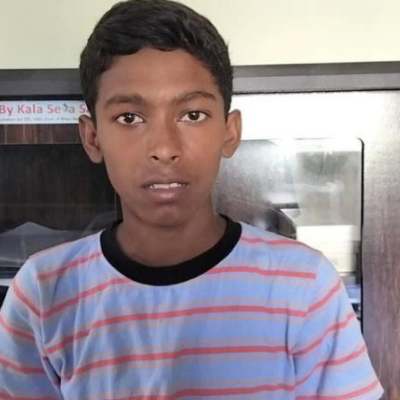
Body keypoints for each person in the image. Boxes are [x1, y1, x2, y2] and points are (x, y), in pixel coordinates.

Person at [0, 1, 383, 399]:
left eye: (193, 115)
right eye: (130, 118)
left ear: (230, 132)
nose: (164, 148)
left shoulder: (304, 285)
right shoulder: (43, 291)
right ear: (92, 138)